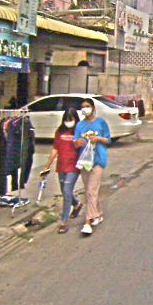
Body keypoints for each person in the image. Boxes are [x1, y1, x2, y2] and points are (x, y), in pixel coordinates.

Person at [40, 107, 82, 233]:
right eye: (67, 120)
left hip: (74, 166)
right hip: (61, 165)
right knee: (65, 191)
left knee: (67, 191)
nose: (69, 122)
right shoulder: (59, 132)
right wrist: (47, 165)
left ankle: (64, 221)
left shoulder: (79, 131)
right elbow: (55, 149)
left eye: (71, 119)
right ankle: (77, 204)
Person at [74, 98, 111, 236]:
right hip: (85, 161)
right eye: (83, 107)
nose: (85, 109)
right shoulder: (80, 125)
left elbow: (108, 139)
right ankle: (98, 214)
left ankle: (88, 221)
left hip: (98, 160)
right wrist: (78, 142)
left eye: (87, 106)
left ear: (93, 108)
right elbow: (75, 141)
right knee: (90, 191)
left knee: (91, 191)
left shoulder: (101, 123)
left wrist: (98, 139)